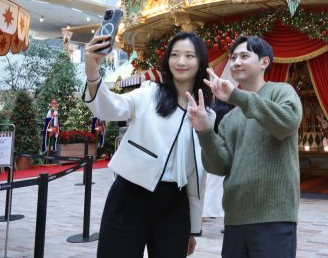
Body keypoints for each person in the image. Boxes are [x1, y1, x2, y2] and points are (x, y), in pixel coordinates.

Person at [82, 31, 209, 258]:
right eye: (175, 55)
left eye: (189, 55)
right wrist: (92, 72)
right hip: (130, 194)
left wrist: (192, 228)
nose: (181, 61)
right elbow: (110, 107)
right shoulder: (149, 94)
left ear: (200, 62)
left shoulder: (205, 113)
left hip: (175, 204)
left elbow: (198, 175)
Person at [186, 36, 303, 258]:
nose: (236, 62)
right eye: (233, 58)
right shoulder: (230, 118)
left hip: (274, 216)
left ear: (264, 62)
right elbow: (219, 166)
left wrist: (236, 96)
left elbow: (287, 122)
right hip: (235, 219)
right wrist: (205, 131)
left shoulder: (281, 92)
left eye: (244, 56)